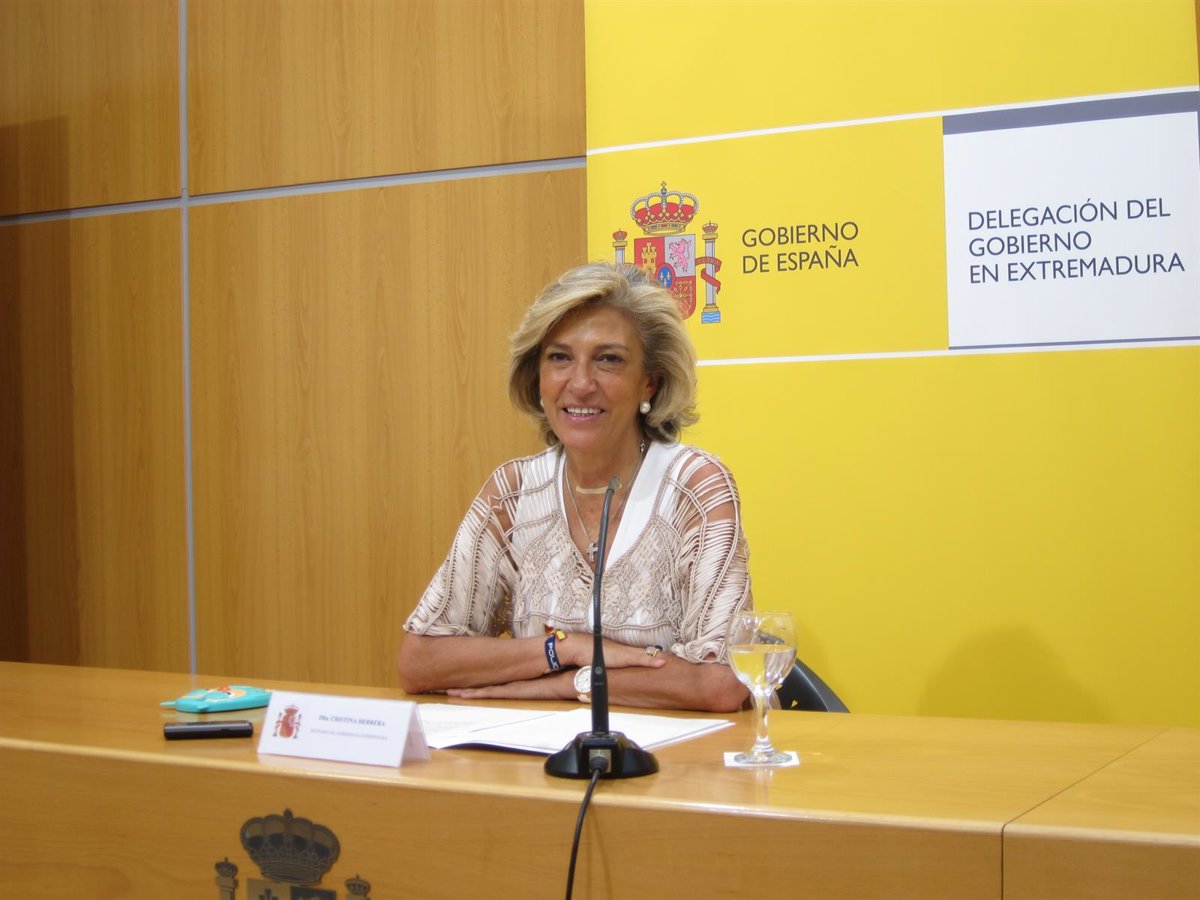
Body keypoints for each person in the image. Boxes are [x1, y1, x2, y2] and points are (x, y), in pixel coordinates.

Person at [396, 262, 751, 712]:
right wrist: (562, 649)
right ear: (537, 377)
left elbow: (721, 682)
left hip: (683, 754)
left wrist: (568, 684)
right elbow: (420, 661)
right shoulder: (513, 493)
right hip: (545, 751)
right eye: (559, 358)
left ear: (649, 382)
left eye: (609, 359)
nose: (580, 384)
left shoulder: (695, 488)